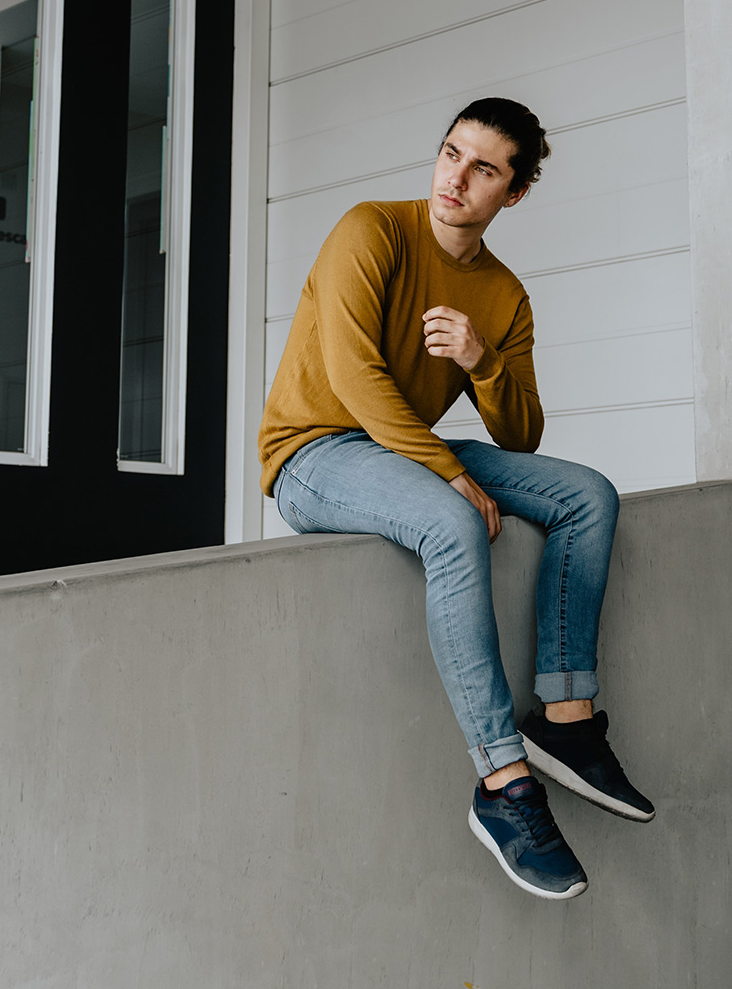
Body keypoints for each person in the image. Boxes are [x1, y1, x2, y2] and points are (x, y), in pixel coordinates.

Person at [258, 98, 652, 899]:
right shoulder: (371, 230)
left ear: (515, 192)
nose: (456, 178)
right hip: (314, 451)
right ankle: (503, 784)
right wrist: (445, 471)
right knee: (451, 523)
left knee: (587, 496)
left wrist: (480, 361)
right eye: (450, 154)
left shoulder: (503, 295)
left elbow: (522, 431)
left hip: (401, 451)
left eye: (484, 169)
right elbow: (353, 378)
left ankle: (567, 722)